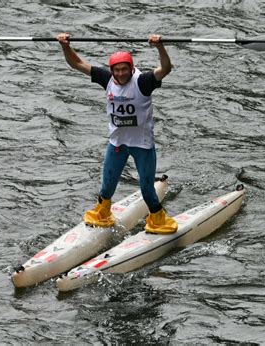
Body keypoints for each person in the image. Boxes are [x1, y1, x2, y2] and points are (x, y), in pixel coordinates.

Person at [56, 33, 178, 234]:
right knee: (106, 188)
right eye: (117, 70)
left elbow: (165, 69)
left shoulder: (143, 82)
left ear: (131, 68)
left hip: (142, 145)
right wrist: (65, 46)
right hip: (118, 143)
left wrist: (160, 47)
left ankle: (158, 220)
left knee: (147, 189)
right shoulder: (107, 78)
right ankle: (102, 214)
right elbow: (76, 64)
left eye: (124, 70)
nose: (120, 74)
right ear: (111, 70)